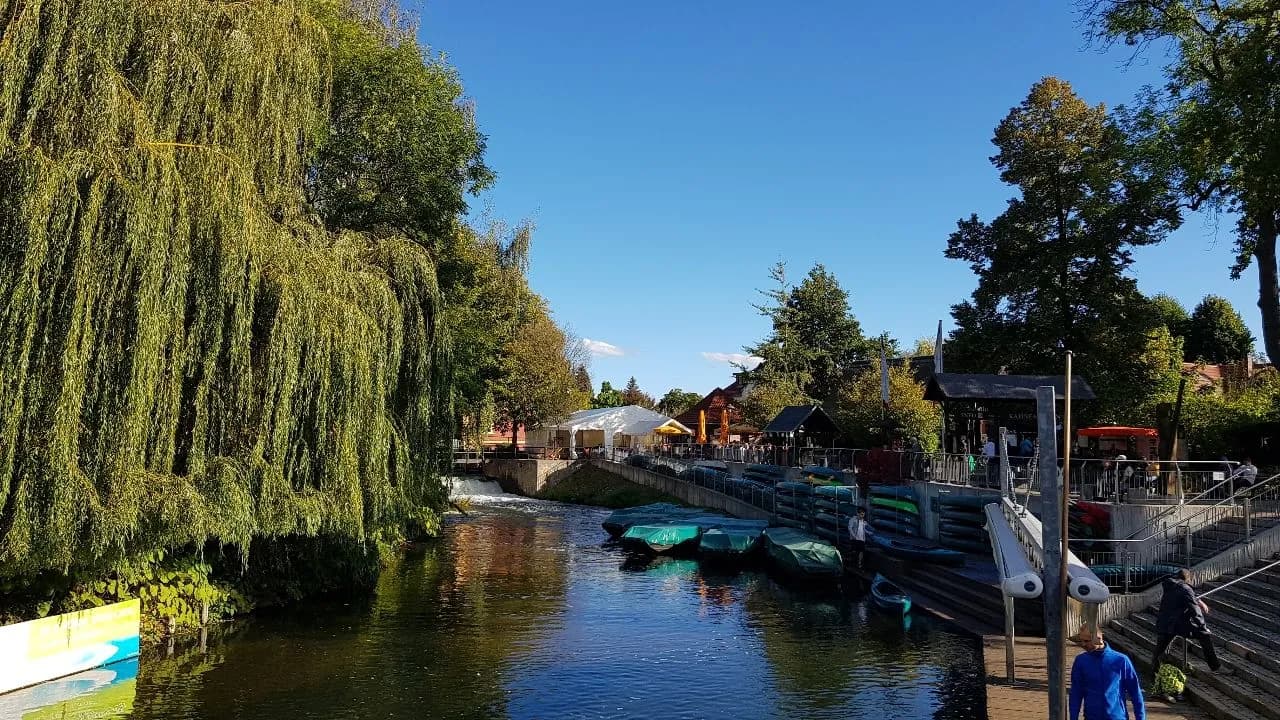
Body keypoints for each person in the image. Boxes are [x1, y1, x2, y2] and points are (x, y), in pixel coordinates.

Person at [1153, 568, 1223, 673]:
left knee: (1159, 651)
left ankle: (1155, 674)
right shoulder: (1185, 589)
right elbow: (1195, 611)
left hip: (1164, 622)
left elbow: (1186, 596)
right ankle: (1215, 666)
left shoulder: (1170, 585)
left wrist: (1198, 600)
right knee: (1204, 635)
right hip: (1176, 624)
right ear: (1188, 579)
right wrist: (1203, 627)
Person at [1070, 628, 1146, 720]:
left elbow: (1135, 693)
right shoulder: (1081, 661)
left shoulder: (1121, 660)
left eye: (1086, 641)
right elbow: (1075, 693)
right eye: (1081, 641)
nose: (1083, 644)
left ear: (1098, 638)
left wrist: (1141, 718)